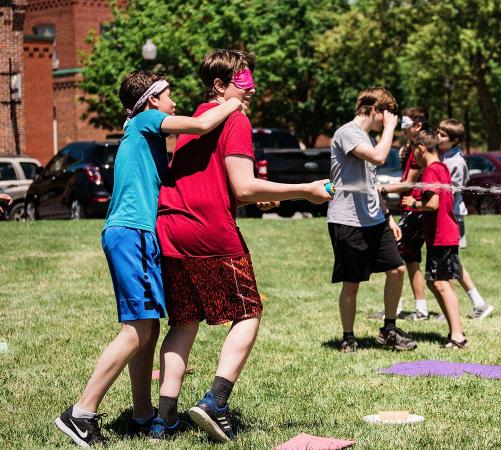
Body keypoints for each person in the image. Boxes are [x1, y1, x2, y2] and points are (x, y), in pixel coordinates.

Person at [54, 69, 244, 447]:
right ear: (154, 99)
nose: (174, 102)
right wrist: (234, 103)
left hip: (134, 234)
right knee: (137, 330)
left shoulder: (144, 135)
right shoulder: (146, 119)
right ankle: (80, 413)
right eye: (169, 95)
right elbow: (203, 124)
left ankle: (142, 414)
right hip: (132, 232)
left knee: (149, 327)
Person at [153, 49, 331, 442]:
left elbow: (224, 183)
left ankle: (163, 421)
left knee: (184, 322)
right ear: (220, 85)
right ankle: (215, 402)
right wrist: (306, 190)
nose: (250, 89)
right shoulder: (233, 117)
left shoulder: (195, 117)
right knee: (248, 311)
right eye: (242, 82)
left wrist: (253, 197)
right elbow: (244, 185)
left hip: (170, 228)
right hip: (209, 230)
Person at [327, 87, 416, 353]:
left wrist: (387, 216)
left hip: (374, 219)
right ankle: (348, 337)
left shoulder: (365, 136)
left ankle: (389, 329)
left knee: (397, 270)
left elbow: (372, 183)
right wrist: (390, 129)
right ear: (376, 110)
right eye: (387, 115)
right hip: (347, 220)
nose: (388, 122)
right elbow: (378, 157)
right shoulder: (347, 133)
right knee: (352, 283)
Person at [401, 130, 466, 348]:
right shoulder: (442, 168)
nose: (413, 158)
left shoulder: (430, 171)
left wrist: (412, 203)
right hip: (443, 235)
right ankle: (454, 330)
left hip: (442, 236)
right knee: (433, 281)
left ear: (420, 149)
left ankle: (458, 336)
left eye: (413, 153)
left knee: (441, 283)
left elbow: (432, 204)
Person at [436, 119, 493, 319]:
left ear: (454, 140)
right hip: (444, 215)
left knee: (449, 262)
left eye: (443, 135)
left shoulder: (456, 162)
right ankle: (478, 303)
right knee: (452, 261)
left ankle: (452, 309)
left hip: (453, 216)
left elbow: (451, 192)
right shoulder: (442, 156)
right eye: (438, 132)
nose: (438, 137)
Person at [383, 107, 429, 320]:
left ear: (418, 126)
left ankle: (402, 308)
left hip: (414, 209)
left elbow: (409, 183)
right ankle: (417, 308)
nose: (403, 131)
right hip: (409, 209)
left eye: (405, 126)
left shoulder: (420, 149)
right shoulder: (411, 149)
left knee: (397, 259)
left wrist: (380, 189)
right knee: (410, 260)